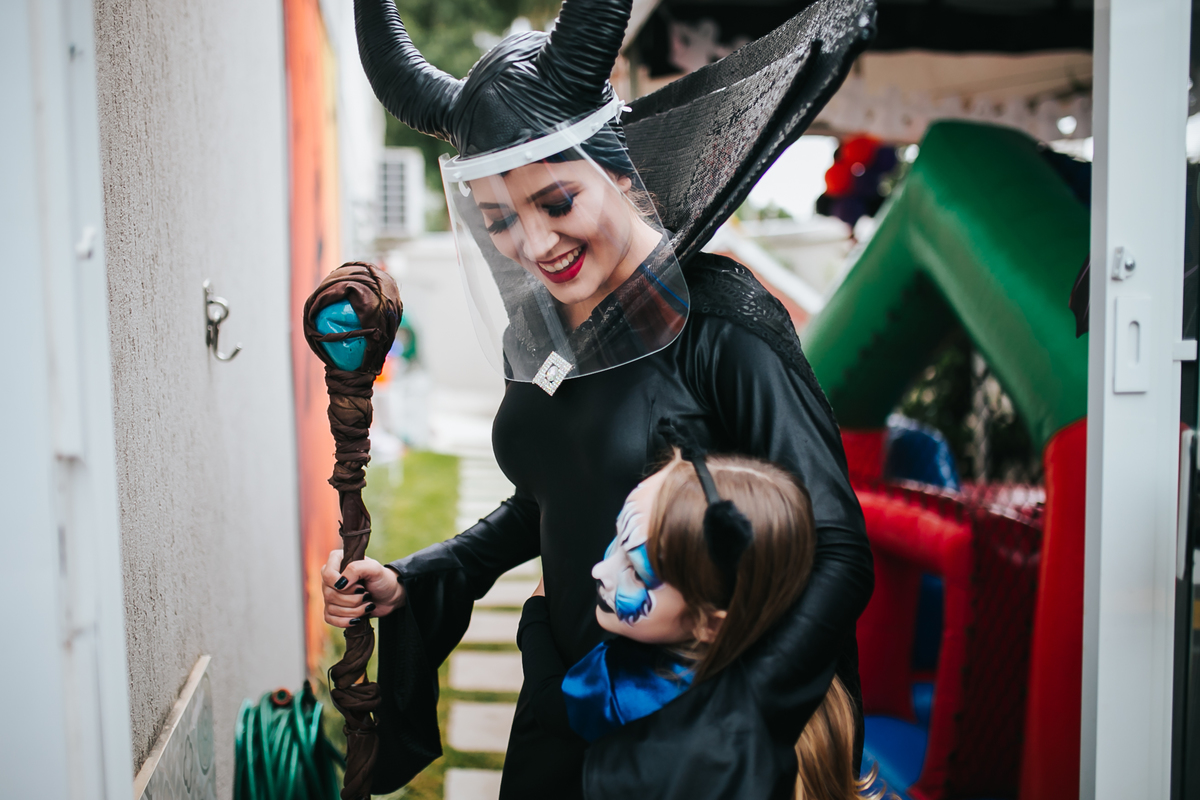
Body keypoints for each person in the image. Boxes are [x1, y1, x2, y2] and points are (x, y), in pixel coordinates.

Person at [321, 0, 875, 796]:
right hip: (571, 692)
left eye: (556, 203)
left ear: (618, 172)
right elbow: (555, 494)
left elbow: (837, 548)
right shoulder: (538, 332)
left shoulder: (721, 322)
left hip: (689, 716)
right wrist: (425, 574)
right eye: (500, 220)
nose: (534, 244)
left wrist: (737, 720)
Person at [515, 432, 880, 799]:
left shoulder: (626, 691)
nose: (600, 570)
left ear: (712, 623)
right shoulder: (818, 692)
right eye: (617, 537)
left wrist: (534, 610)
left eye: (636, 572)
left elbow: (550, 705)